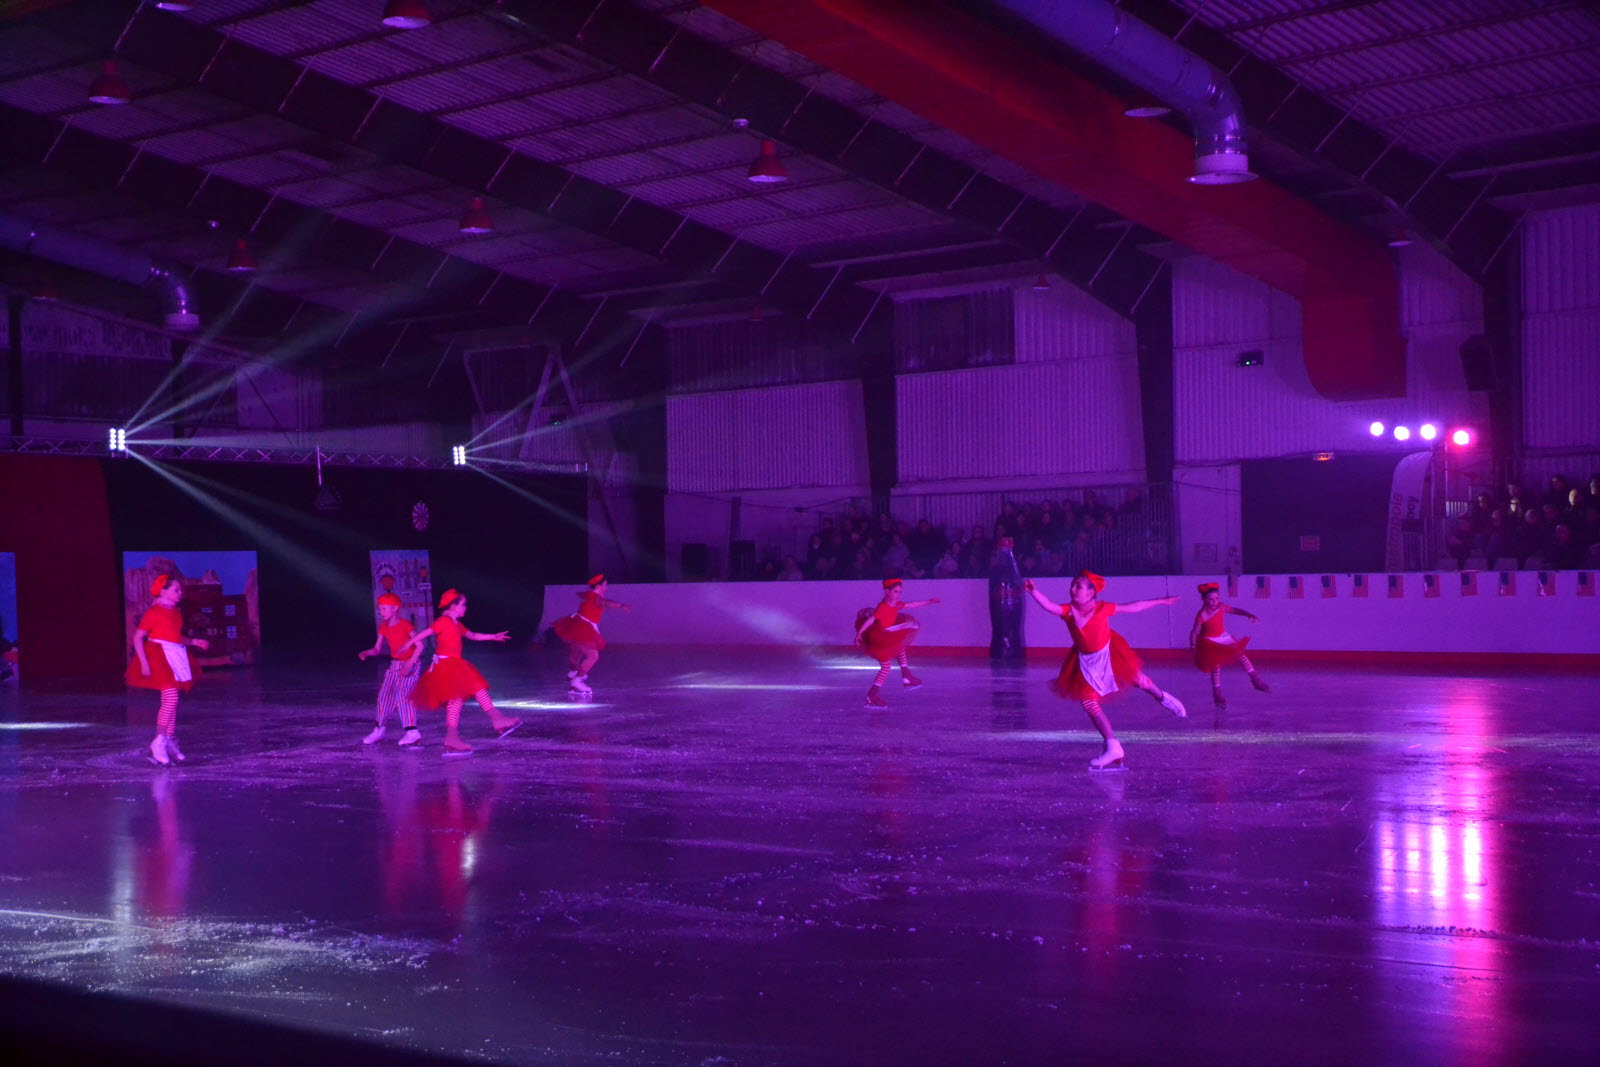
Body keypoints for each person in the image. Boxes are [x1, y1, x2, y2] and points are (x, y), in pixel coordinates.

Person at [1024, 571, 1186, 770]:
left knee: (1136, 679)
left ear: (1092, 592)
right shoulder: (1068, 610)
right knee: (1088, 700)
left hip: (1109, 653)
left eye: (1079, 586)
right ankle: (1112, 746)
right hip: (1086, 661)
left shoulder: (1103, 607)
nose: (1073, 589)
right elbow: (1050, 606)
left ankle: (1163, 697)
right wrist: (1034, 592)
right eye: (1072, 585)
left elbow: (1134, 606)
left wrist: (1161, 601)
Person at [399, 589, 520, 756]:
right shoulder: (444, 621)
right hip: (446, 665)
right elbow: (426, 633)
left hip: (454, 663)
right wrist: (409, 643)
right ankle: (483, 725)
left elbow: (473, 635)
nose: (466, 607)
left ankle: (489, 723)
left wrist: (493, 636)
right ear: (453, 606)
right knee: (464, 694)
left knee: (470, 692)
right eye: (463, 604)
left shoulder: (456, 623)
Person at [126, 575, 210, 766]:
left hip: (174, 653)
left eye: (180, 590)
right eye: (176, 590)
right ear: (163, 591)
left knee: (172, 699)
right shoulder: (154, 612)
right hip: (158, 655)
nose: (180, 593)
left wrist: (194, 641)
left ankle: (168, 740)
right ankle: (158, 742)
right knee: (171, 697)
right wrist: (144, 662)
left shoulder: (175, 611)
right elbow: (138, 637)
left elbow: (175, 636)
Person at [854, 578, 941, 708]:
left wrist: (929, 602)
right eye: (895, 592)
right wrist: (859, 633)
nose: (898, 595)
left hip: (889, 634)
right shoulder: (883, 607)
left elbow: (912, 604)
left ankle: (906, 676)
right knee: (886, 667)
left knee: (900, 645)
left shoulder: (896, 604)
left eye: (900, 592)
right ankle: (872, 696)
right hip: (881, 639)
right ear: (887, 591)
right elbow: (871, 620)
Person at [1188, 582, 1269, 710]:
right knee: (1216, 666)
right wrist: (1193, 647)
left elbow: (1235, 610)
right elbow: (1195, 631)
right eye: (1211, 599)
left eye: (1217, 598)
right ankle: (1217, 693)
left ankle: (1255, 678)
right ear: (1203, 599)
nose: (1214, 602)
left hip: (1223, 637)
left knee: (1240, 654)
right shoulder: (1202, 614)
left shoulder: (1221, 607)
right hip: (1209, 641)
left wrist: (1249, 614)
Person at [357, 592, 423, 746]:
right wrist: (367, 652)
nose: (381, 612)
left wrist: (409, 664)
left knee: (403, 694)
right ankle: (379, 730)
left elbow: (420, 645)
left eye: (384, 609)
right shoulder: (384, 627)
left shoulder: (405, 625)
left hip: (410, 663)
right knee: (384, 695)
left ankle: (412, 732)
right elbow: (377, 649)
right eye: (380, 609)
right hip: (395, 665)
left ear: (395, 609)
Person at [551, 574, 631, 695]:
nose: (606, 587)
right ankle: (577, 681)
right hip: (583, 627)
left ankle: (573, 673)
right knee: (593, 656)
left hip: (575, 624)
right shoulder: (596, 598)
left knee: (576, 652)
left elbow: (581, 595)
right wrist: (621, 605)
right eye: (605, 585)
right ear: (599, 586)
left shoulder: (588, 595)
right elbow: (606, 602)